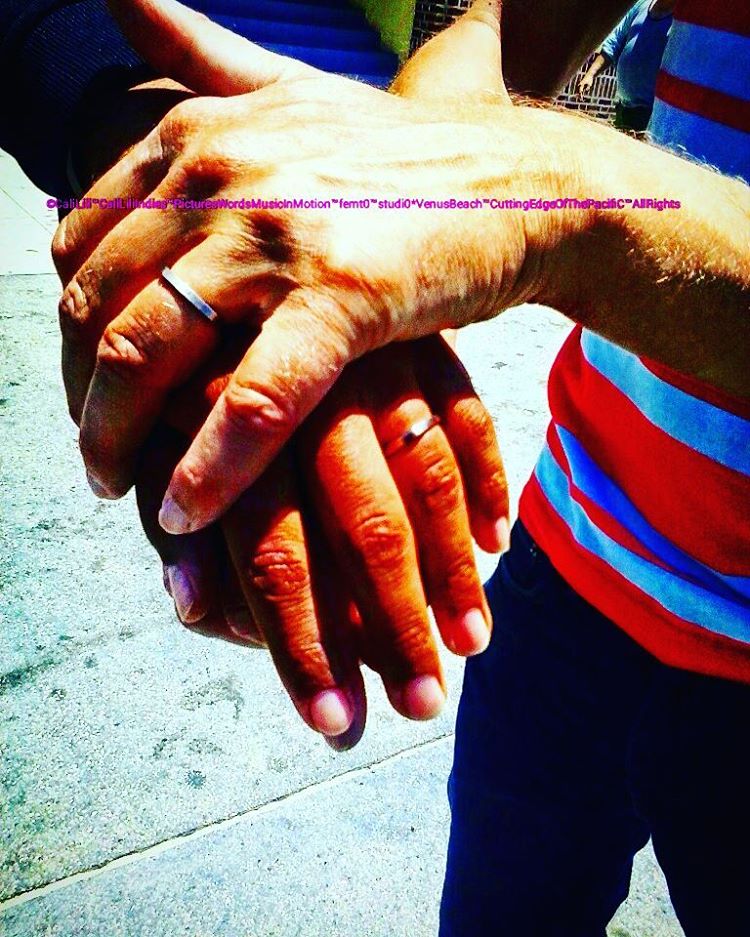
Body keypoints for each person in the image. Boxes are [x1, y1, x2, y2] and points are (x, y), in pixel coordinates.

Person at [6, 0, 750, 934]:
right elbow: (498, 33)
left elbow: (526, 172)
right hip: (570, 568)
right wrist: (362, 206)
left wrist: (553, 198)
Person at [577, 0, 674, 132]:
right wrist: (590, 74)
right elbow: (614, 42)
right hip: (623, 107)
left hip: (650, 116)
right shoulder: (641, 4)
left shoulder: (682, 23)